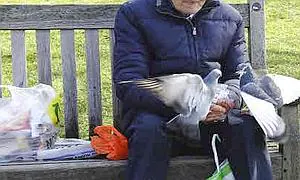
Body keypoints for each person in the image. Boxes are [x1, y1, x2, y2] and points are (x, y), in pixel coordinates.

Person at [113, 0, 273, 179]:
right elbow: (128, 81)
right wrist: (187, 105)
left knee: (247, 127)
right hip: (161, 117)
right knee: (148, 131)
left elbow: (237, 75)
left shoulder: (230, 18)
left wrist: (227, 101)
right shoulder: (133, 13)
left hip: (214, 121)